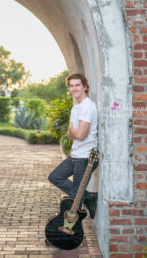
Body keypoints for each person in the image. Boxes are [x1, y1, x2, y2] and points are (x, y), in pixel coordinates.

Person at [48, 73, 98, 218]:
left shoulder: (88, 107)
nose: (74, 88)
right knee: (55, 177)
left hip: (86, 157)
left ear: (85, 87)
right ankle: (88, 196)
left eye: (77, 85)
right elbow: (70, 135)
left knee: (76, 196)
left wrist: (74, 131)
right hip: (76, 154)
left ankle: (72, 232)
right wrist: (75, 131)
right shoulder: (76, 108)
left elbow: (80, 135)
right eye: (71, 86)